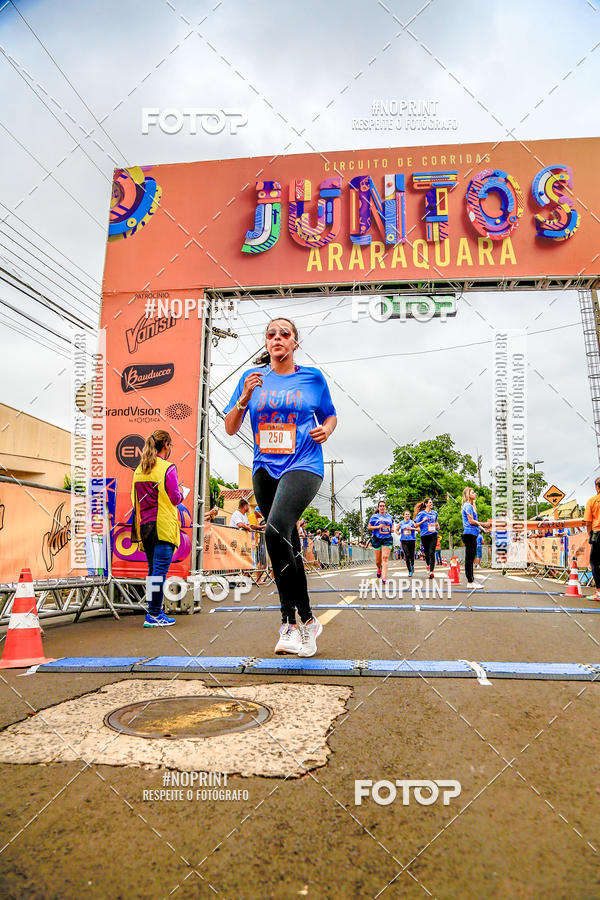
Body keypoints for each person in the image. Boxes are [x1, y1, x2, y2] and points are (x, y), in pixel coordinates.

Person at [224, 316, 337, 656]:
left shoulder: (312, 378)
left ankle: (290, 621)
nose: (277, 338)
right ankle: (305, 621)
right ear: (266, 343)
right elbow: (231, 427)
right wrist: (244, 396)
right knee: (287, 543)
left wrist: (327, 430)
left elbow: (330, 414)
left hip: (303, 464)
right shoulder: (252, 379)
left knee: (273, 533)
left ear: (294, 343)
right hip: (265, 468)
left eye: (284, 334)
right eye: (271, 334)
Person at [131, 429, 182, 627]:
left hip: (144, 526)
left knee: (153, 571)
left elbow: (134, 499)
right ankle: (153, 614)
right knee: (159, 572)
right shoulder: (168, 468)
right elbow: (175, 497)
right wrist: (181, 494)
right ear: (166, 445)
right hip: (163, 525)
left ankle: (155, 611)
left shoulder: (139, 469)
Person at [461, 487, 485, 590]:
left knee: (470, 558)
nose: (474, 494)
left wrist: (483, 528)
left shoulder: (470, 506)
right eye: (472, 492)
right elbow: (471, 521)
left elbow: (474, 522)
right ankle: (470, 581)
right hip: (469, 534)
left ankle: (471, 580)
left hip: (472, 533)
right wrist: (483, 523)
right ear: (468, 495)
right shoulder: (468, 506)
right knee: (470, 559)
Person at [367, 499, 394, 582]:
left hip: (387, 538)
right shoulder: (374, 517)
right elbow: (369, 527)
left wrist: (392, 529)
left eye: (383, 506)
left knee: (385, 557)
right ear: (378, 507)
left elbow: (392, 524)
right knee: (378, 561)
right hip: (377, 539)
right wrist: (378, 527)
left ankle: (384, 577)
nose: (382, 507)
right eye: (380, 506)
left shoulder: (389, 517)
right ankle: (379, 568)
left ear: (385, 507)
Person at [584, 477, 600, 601]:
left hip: (598, 533)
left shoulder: (592, 501)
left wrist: (589, 534)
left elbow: (588, 521)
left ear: (597, 487)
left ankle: (599, 591)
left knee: (594, 562)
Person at [414, 498, 439, 578]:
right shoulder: (421, 514)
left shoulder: (435, 513)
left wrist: (437, 525)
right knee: (427, 553)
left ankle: (431, 571)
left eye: (432, 502)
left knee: (432, 552)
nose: (431, 504)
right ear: (426, 504)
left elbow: (436, 522)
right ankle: (428, 564)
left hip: (433, 534)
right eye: (430, 502)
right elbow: (415, 525)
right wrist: (423, 521)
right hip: (424, 535)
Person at [397, 510, 416, 575]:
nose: (407, 515)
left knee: (411, 555)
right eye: (406, 514)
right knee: (407, 555)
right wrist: (398, 532)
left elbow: (418, 529)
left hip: (412, 540)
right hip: (404, 541)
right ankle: (409, 571)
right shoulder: (401, 523)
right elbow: (396, 530)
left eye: (408, 514)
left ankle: (412, 565)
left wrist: (412, 528)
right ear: (403, 516)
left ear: (410, 515)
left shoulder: (412, 522)